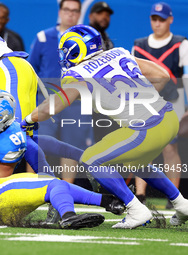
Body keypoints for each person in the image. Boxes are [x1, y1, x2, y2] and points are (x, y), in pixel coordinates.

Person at [21, 24, 188, 229]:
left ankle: (136, 208)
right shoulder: (119, 52)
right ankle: (182, 204)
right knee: (134, 162)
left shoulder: (78, 74)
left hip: (146, 129)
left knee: (91, 158)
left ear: (77, 49)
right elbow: (162, 75)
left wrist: (28, 119)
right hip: (168, 117)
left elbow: (51, 108)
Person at [29, 0, 94, 184]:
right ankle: (33, 187)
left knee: (70, 149)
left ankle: (68, 189)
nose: (70, 14)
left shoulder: (88, 41)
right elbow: (31, 70)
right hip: (46, 100)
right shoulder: (43, 37)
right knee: (38, 144)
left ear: (80, 13)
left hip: (76, 103)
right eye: (67, 10)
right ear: (60, 11)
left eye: (75, 11)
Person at [132, 2, 188, 208]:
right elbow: (133, 77)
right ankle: (140, 194)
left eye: (162, 19)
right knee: (142, 147)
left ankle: (173, 198)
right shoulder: (139, 45)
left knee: (170, 149)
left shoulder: (181, 44)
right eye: (154, 19)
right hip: (146, 102)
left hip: (173, 101)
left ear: (171, 20)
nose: (157, 23)